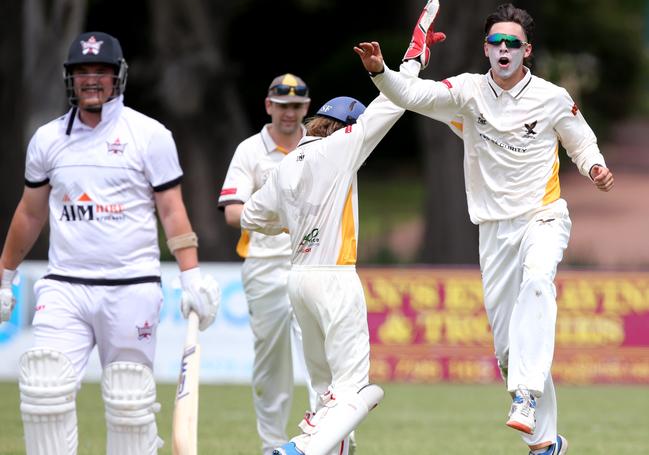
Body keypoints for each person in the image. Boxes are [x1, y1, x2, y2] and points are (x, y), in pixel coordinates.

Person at [357, 0, 615, 455]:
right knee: (510, 352)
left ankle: (526, 396)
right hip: (493, 231)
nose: (503, 48)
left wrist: (595, 168)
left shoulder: (552, 97)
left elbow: (583, 141)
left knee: (538, 283)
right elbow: (411, 96)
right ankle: (545, 445)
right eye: (496, 41)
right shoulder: (469, 92)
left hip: (543, 216)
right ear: (485, 48)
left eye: (512, 43)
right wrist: (381, 71)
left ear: (526, 51)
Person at [0, 31, 220, 455]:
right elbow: (30, 213)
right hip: (65, 285)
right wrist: (4, 277)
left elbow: (172, 210)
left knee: (129, 401)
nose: (91, 79)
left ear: (118, 76)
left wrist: (191, 277)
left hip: (131, 287)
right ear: (70, 78)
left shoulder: (149, 135)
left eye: (100, 70)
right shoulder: (48, 139)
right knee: (43, 387)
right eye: (82, 71)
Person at [239, 40, 431, 453]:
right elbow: (392, 105)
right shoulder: (342, 147)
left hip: (298, 280)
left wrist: (292, 224)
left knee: (325, 388)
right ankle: (300, 450)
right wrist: (412, 61)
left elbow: (251, 217)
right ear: (345, 127)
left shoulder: (286, 164)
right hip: (335, 279)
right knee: (353, 390)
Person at [218, 73, 319, 455]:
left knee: (320, 357)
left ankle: (324, 440)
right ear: (268, 106)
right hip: (264, 266)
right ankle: (271, 446)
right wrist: (280, 220)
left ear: (306, 108)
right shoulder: (250, 151)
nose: (289, 114)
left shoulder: (317, 146)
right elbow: (231, 212)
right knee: (271, 364)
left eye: (296, 106)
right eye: (282, 106)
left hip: (312, 261)